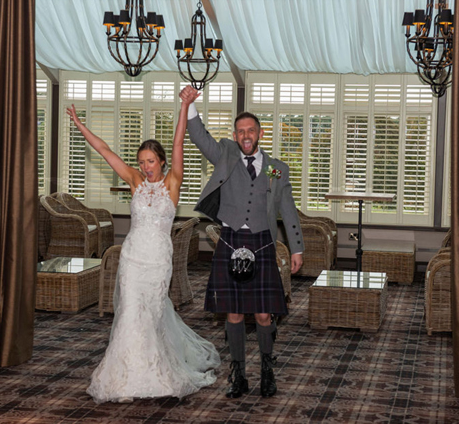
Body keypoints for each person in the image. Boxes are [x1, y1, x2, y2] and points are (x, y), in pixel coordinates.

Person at [65, 102, 220, 404]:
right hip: (133, 258)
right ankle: (125, 375)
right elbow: (105, 151)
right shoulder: (135, 181)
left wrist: (185, 106)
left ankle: (157, 372)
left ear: (161, 162)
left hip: (158, 260)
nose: (146, 167)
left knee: (152, 315)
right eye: (142, 162)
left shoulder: (173, 183)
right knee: (130, 314)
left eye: (151, 161)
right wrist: (79, 124)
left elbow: (178, 142)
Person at [180, 85, 304, 399]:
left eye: (251, 130)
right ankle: (238, 375)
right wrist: (191, 106)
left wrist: (298, 247)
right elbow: (200, 137)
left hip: (262, 244)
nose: (245, 135)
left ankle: (266, 371)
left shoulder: (277, 168)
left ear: (259, 133)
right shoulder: (226, 154)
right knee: (233, 312)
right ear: (235, 136)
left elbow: (287, 208)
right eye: (240, 131)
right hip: (231, 240)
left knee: (263, 314)